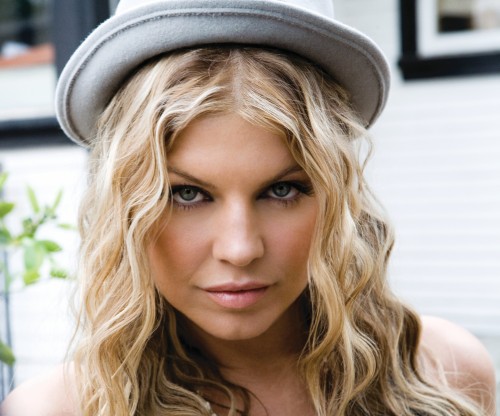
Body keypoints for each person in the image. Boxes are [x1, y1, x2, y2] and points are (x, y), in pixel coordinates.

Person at [1, 1, 496, 415]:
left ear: (338, 195)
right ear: (123, 204)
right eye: (186, 194)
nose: (240, 249)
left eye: (281, 190)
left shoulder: (444, 375)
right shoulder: (57, 409)